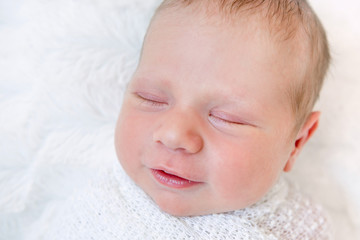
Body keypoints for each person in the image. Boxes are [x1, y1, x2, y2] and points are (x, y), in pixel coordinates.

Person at [44, 0, 331, 239]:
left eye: (226, 118)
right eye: (151, 98)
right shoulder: (97, 209)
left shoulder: (302, 229)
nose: (173, 134)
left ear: (296, 142)